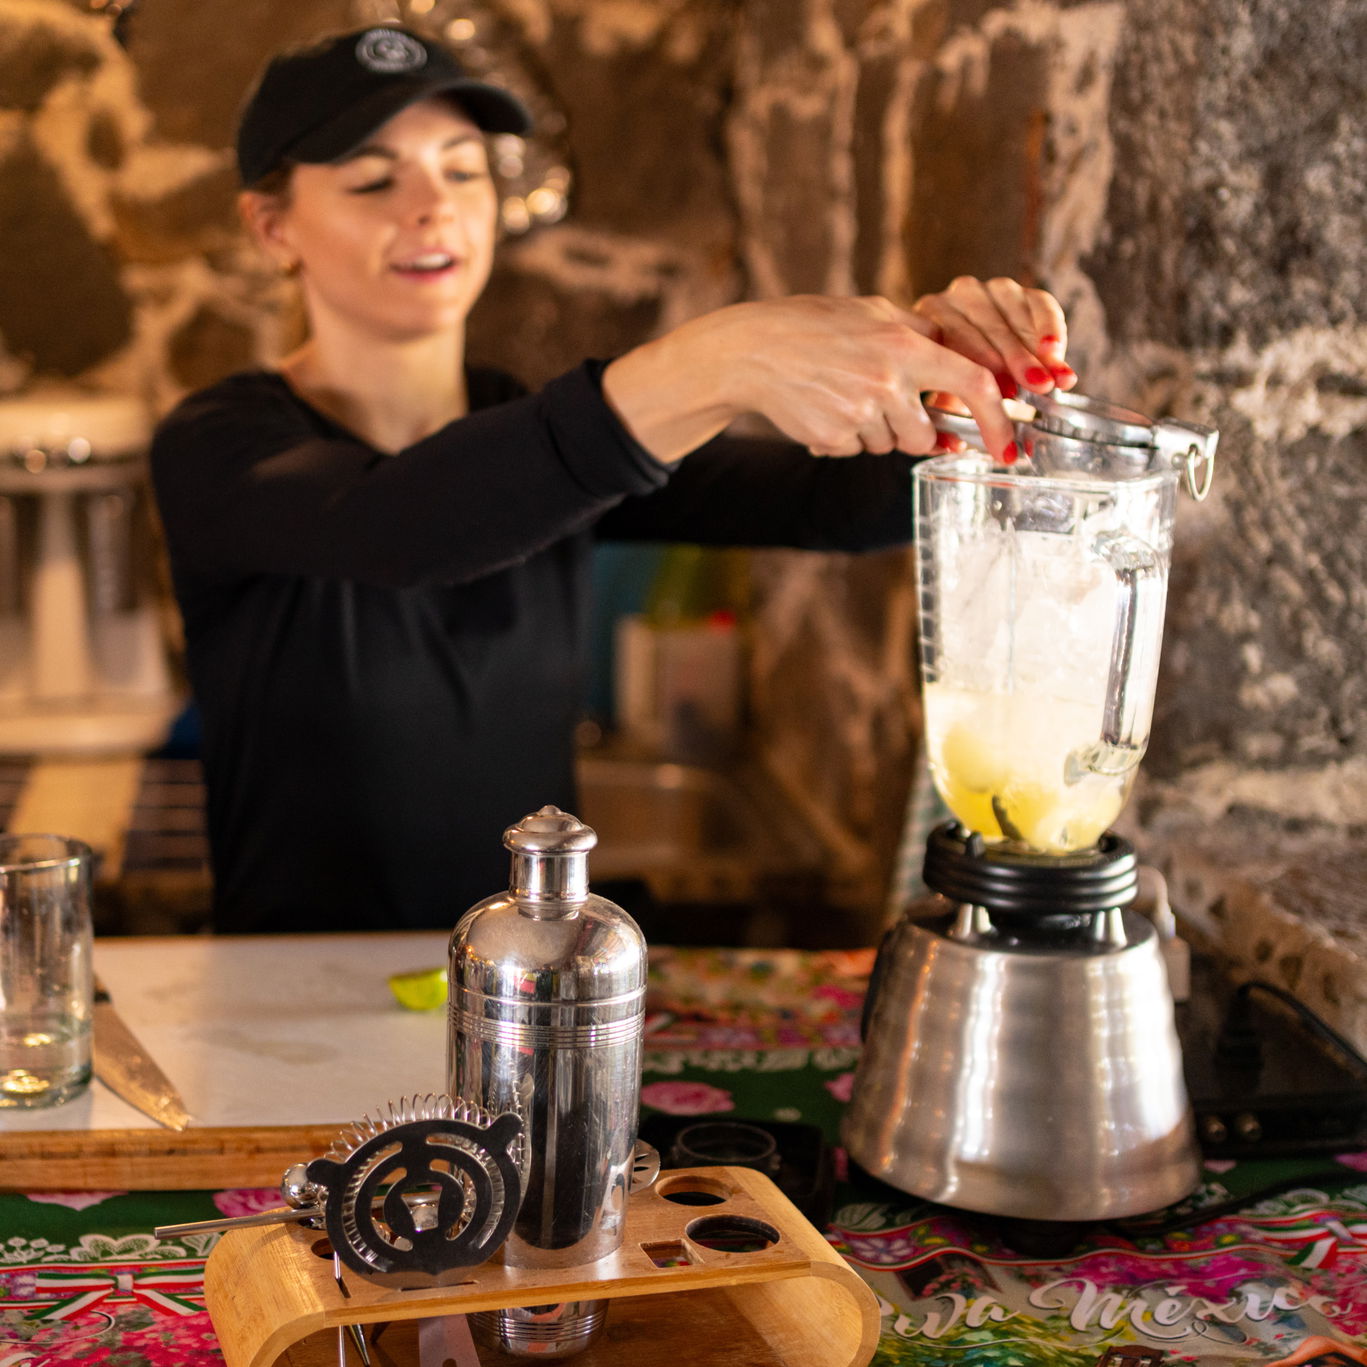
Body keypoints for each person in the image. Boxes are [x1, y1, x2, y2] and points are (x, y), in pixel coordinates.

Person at [149, 24, 1078, 934]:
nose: (432, 207)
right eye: (372, 179)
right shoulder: (217, 445)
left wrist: (968, 396)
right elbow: (402, 524)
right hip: (287, 992)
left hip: (527, 987)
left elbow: (834, 504)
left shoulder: (528, 431)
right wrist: (715, 360)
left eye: (464, 170)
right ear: (272, 227)